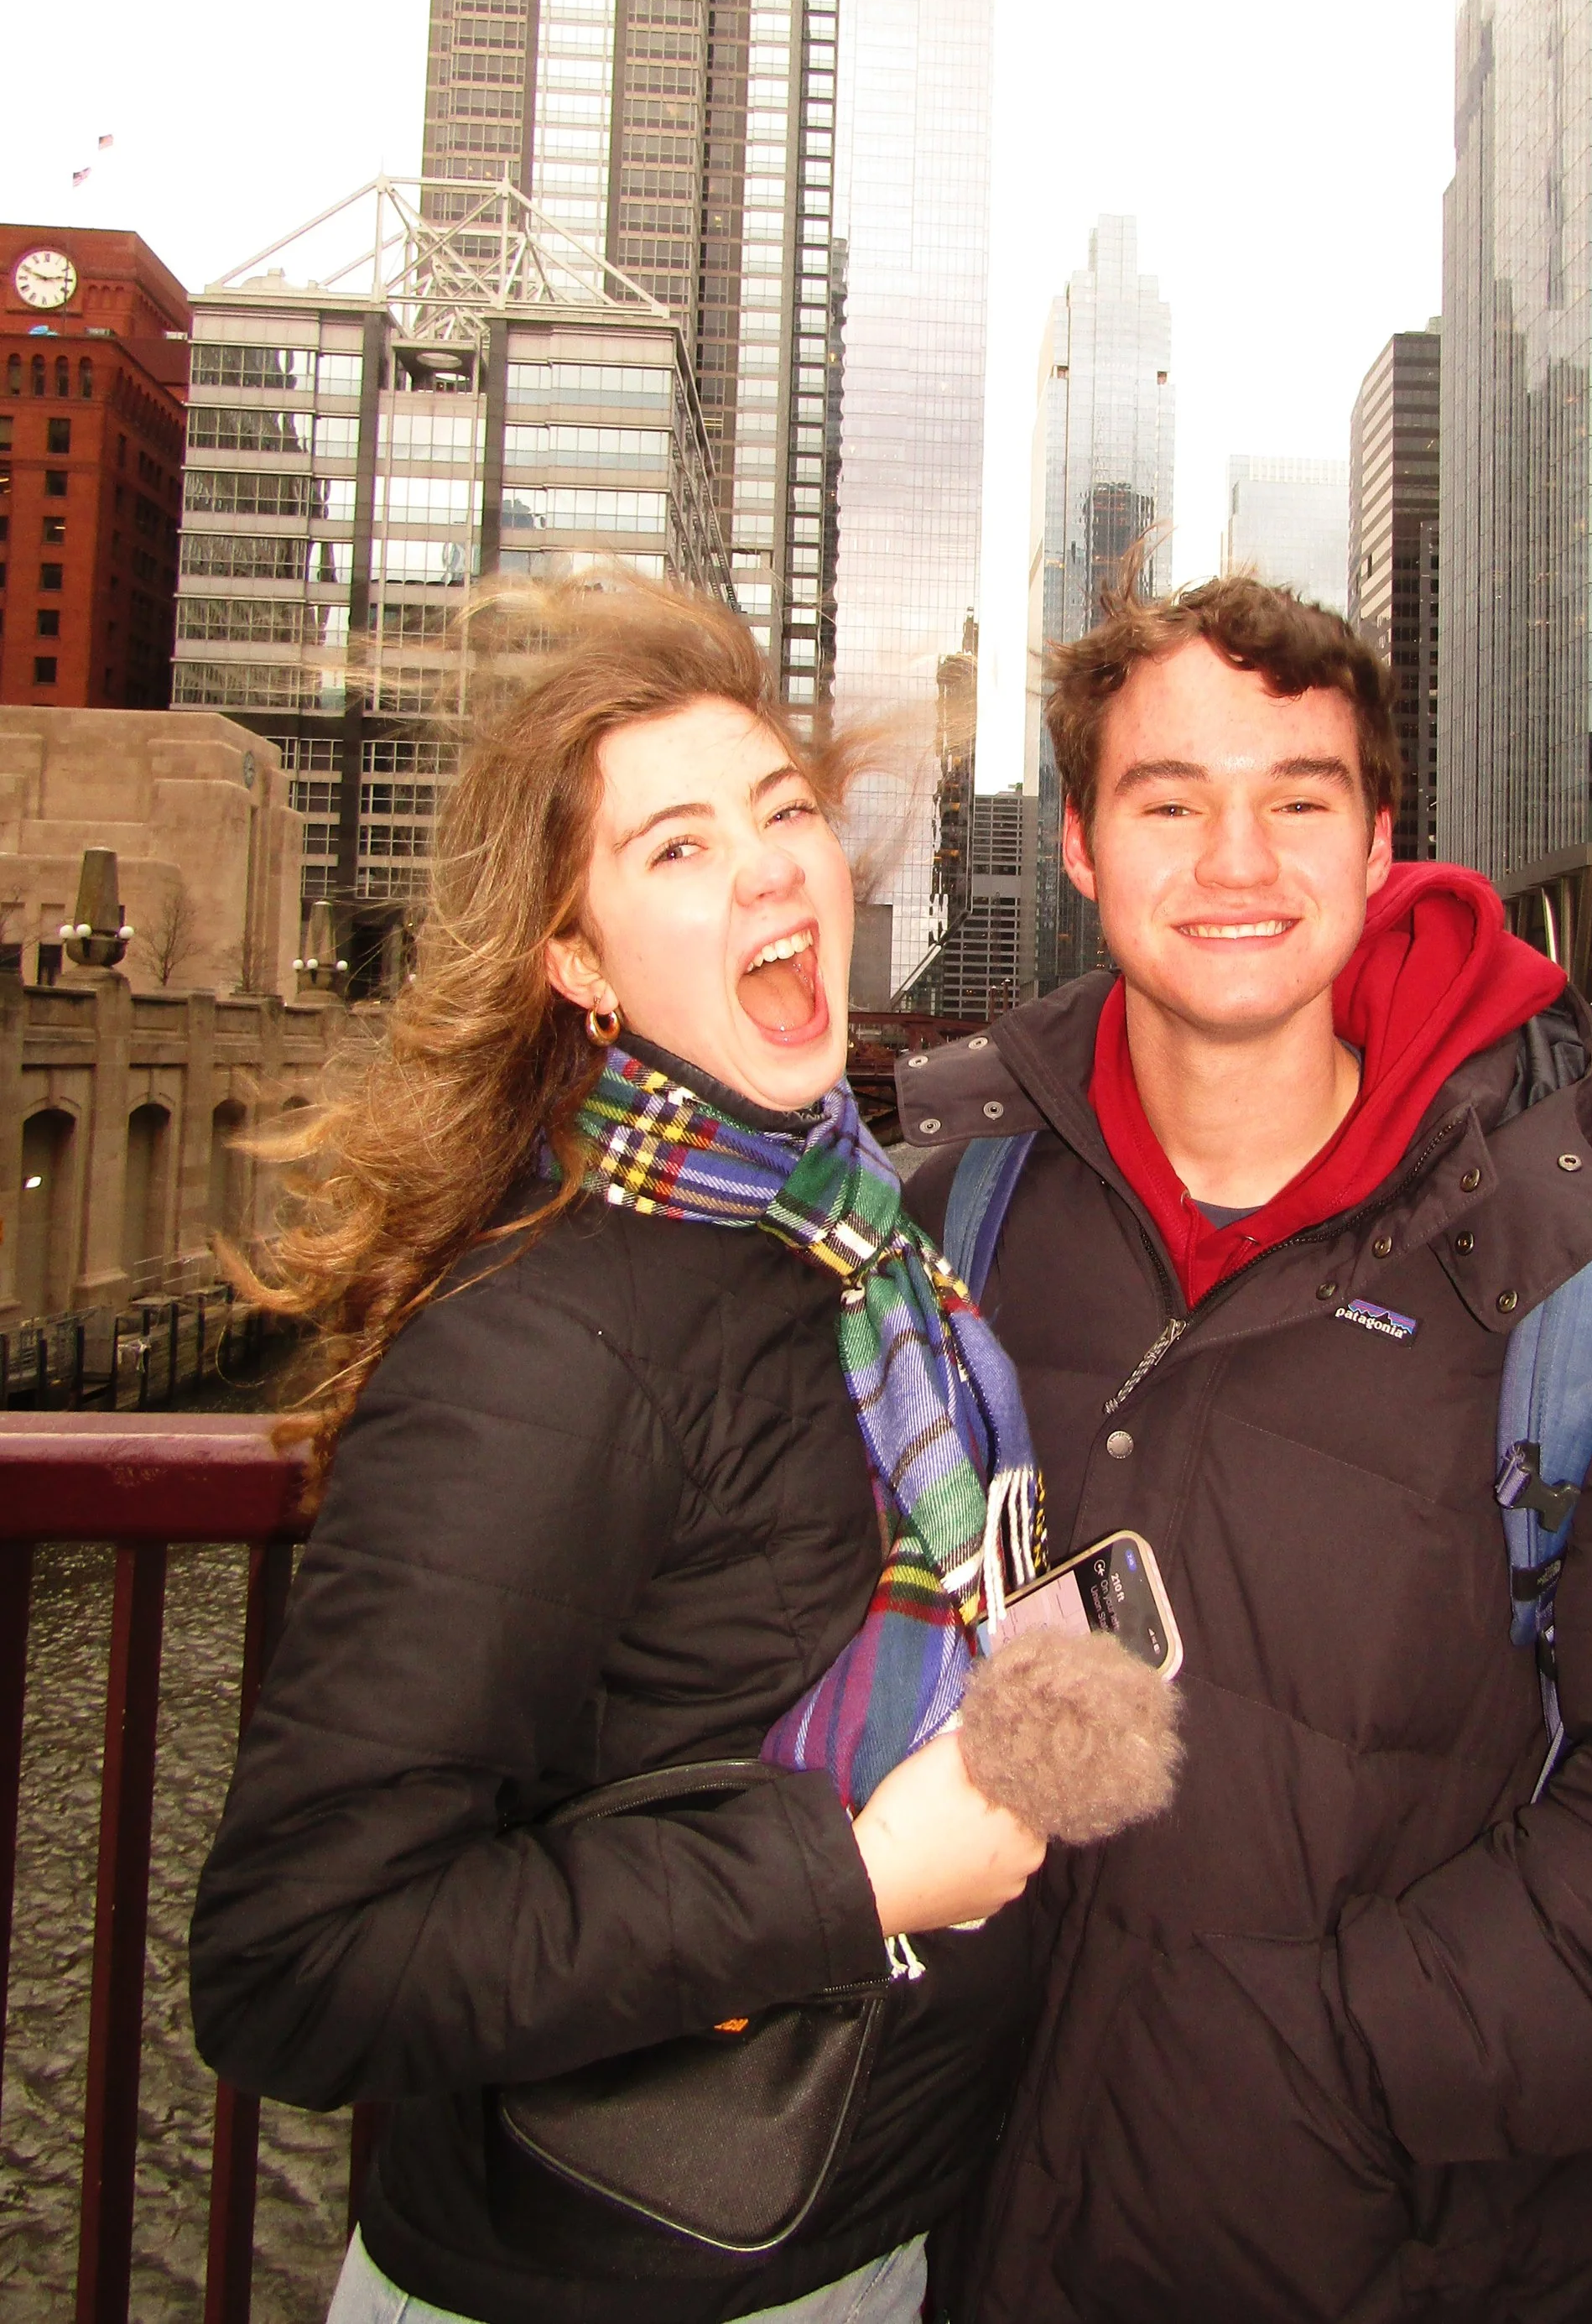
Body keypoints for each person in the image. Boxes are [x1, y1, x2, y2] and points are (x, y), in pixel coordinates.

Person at [899, 575, 1592, 2324]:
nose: (1236, 862)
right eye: (1168, 801)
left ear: (1377, 844)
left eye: (1297, 799)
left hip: (1413, 2256)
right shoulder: (948, 1225)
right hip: (974, 2229)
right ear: (1076, 847)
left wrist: (1338, 2062)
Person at [190, 578, 1049, 2324]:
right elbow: (298, 1957)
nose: (763, 869)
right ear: (572, 962)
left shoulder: (851, 1245)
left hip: (855, 2227)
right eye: (672, 849)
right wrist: (854, 1877)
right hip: (618, 2278)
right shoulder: (544, 1346)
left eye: (783, 813)